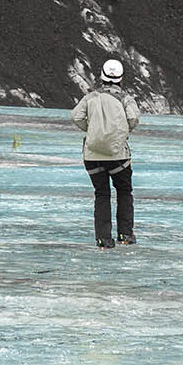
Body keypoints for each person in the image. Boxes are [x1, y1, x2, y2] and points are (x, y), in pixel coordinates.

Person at [72, 58, 141, 247]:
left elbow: (76, 116)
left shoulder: (90, 98)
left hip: (92, 155)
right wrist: (120, 133)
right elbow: (133, 118)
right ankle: (125, 235)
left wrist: (92, 130)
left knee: (101, 193)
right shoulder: (125, 99)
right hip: (118, 156)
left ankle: (103, 238)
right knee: (124, 191)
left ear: (101, 76)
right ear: (121, 78)